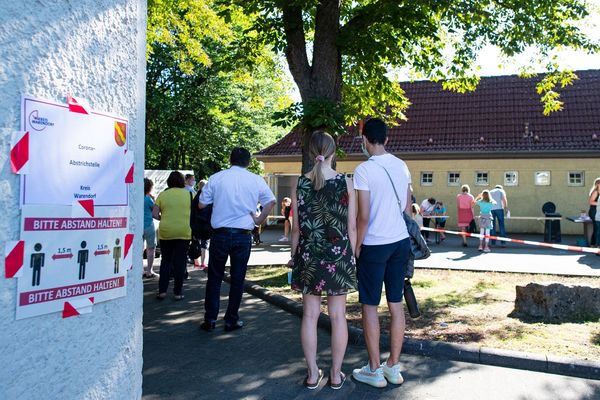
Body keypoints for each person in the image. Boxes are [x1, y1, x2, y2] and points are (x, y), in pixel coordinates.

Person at [289, 131, 357, 390]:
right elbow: (351, 227)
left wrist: (293, 256)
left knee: (309, 316)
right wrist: (352, 256)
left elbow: (296, 229)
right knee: (338, 317)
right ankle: (336, 374)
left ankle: (311, 373)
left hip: (309, 255)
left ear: (310, 152)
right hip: (338, 256)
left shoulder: (300, 184)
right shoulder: (345, 182)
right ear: (333, 151)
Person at [352, 118, 412, 388]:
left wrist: (357, 245)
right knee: (396, 303)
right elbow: (408, 211)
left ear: (365, 139)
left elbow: (363, 216)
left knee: (370, 305)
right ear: (386, 139)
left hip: (374, 244)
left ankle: (374, 369)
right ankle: (393, 366)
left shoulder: (363, 170)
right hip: (400, 242)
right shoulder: (402, 166)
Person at [199, 148, 275, 332]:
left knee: (215, 277)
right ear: (249, 162)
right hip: (243, 235)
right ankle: (231, 319)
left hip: (220, 234)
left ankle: (210, 319)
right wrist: (258, 219)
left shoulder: (216, 178)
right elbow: (271, 201)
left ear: (229, 159)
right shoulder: (256, 180)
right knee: (238, 279)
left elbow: (202, 204)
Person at [152, 171, 191, 300]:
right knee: (180, 262)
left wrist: (164, 218)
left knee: (166, 261)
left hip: (166, 231)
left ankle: (162, 291)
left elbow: (154, 214)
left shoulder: (162, 195)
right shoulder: (190, 194)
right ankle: (178, 293)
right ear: (182, 181)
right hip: (184, 231)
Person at [143, 178, 158, 278]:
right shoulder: (148, 200)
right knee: (151, 248)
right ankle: (149, 270)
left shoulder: (136, 198)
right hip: (148, 226)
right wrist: (154, 199)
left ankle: (139, 270)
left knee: (138, 249)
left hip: (138, 226)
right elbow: (155, 211)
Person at [195, 179, 209, 270]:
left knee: (196, 242)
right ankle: (203, 263)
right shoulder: (207, 196)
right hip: (205, 223)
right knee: (205, 244)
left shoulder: (195, 196)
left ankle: (197, 262)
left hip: (197, 223)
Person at [588, 178, 600, 246]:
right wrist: (599, 203)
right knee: (597, 228)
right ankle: (594, 244)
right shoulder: (595, 192)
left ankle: (594, 244)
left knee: (597, 228)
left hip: (598, 212)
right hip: (594, 212)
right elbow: (591, 202)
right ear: (598, 184)